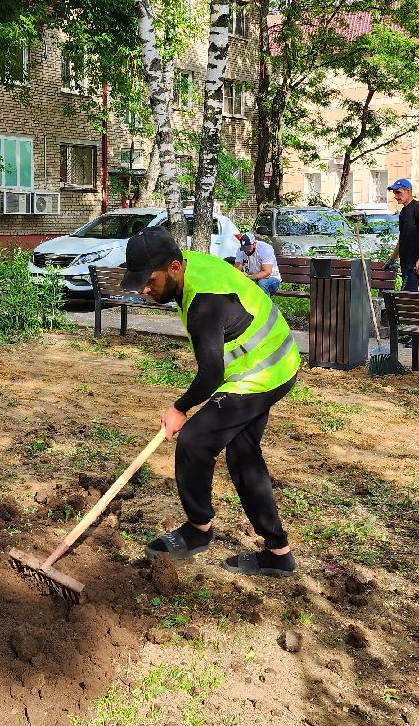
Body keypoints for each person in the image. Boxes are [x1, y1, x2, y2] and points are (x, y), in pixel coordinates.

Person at [121, 226, 301, 577]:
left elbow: (211, 374)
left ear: (174, 267)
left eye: (149, 281)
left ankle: (197, 530)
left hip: (263, 371)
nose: (144, 290)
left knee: (194, 441)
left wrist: (180, 407)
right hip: (273, 363)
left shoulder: (204, 301)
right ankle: (278, 552)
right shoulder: (190, 267)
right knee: (242, 453)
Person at [388, 178, 419, 292]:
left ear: (408, 191)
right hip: (404, 262)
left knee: (407, 295)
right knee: (408, 296)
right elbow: (402, 238)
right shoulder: (403, 212)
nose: (396, 196)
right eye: (394, 193)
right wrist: (392, 259)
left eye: (398, 192)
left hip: (415, 263)